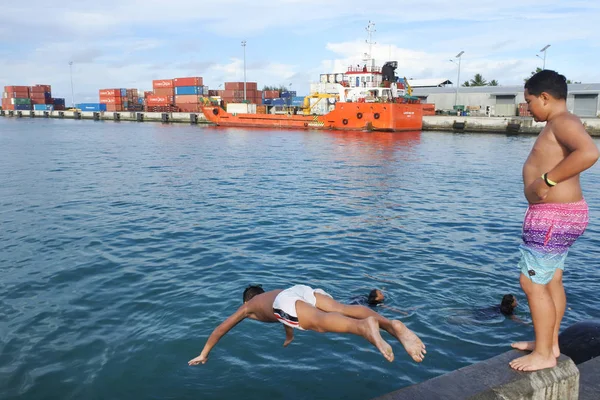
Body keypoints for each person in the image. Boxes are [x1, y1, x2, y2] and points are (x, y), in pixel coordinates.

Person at [509, 70, 599, 372]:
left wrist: (547, 180)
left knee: (531, 282)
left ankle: (545, 354)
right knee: (551, 279)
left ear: (545, 97)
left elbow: (589, 152)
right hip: (564, 215)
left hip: (553, 217)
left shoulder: (562, 122)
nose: (528, 107)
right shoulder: (563, 122)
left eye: (530, 101)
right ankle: (549, 342)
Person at [188, 284, 426, 366]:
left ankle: (363, 327)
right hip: (298, 290)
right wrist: (289, 337)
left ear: (248, 300)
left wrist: (204, 353)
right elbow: (285, 315)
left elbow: (221, 328)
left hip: (287, 303)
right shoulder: (271, 297)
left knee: (320, 324)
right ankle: (391, 326)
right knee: (341, 308)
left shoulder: (248, 307)